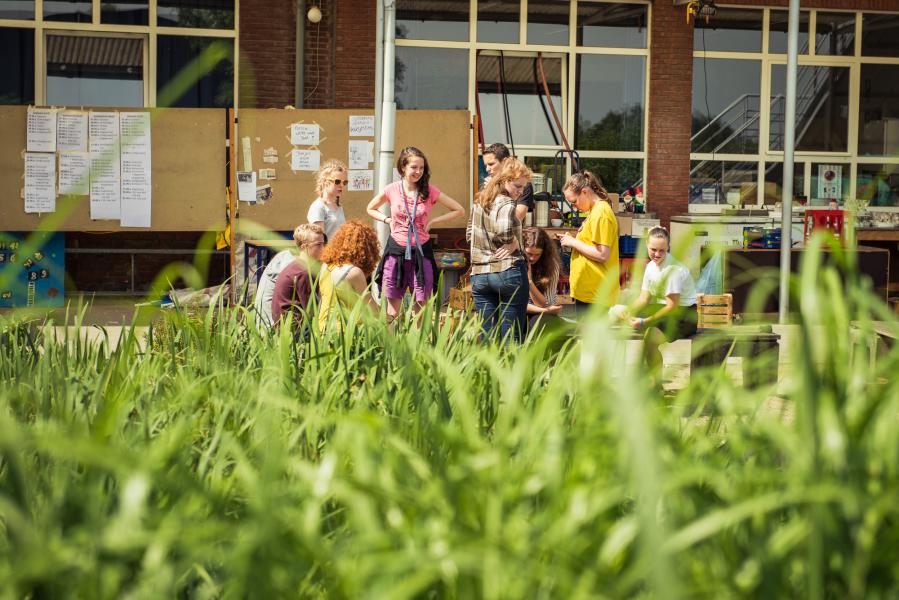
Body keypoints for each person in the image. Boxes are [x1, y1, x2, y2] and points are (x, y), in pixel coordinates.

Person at [368, 146, 465, 319]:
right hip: (396, 251)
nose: (418, 171)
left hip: (421, 253)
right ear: (403, 167)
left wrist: (434, 222)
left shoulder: (429, 190)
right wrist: (387, 220)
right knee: (392, 307)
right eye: (414, 167)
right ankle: (392, 344)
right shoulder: (391, 189)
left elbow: (459, 210)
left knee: (422, 305)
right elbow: (371, 208)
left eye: (421, 168)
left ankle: (418, 343)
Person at [467, 158, 531, 343]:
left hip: (479, 274)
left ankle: (484, 372)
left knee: (486, 335)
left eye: (523, 188)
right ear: (504, 181)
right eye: (517, 186)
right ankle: (509, 371)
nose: (520, 192)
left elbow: (469, 233)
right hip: (506, 272)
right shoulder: (507, 203)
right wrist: (514, 243)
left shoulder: (480, 200)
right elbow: (503, 230)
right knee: (511, 336)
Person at [625, 226, 698, 372]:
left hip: (683, 315)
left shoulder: (673, 270)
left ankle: (655, 383)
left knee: (650, 341)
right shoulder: (651, 266)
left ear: (668, 247)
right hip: (663, 308)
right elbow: (644, 298)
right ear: (647, 244)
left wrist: (645, 321)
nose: (657, 254)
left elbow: (672, 306)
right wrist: (628, 311)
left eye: (662, 250)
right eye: (653, 250)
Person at [558, 171, 619, 315]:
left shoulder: (601, 213)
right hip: (590, 292)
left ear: (584, 192)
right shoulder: (595, 211)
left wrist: (573, 242)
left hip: (596, 294)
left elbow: (603, 254)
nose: (574, 207)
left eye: (574, 202)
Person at [253, 224, 323, 331]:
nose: (323, 248)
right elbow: (312, 311)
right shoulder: (302, 272)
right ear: (304, 247)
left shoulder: (296, 264)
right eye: (319, 244)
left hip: (283, 325)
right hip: (290, 332)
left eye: (323, 244)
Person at [317, 220, 381, 332]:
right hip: (344, 333)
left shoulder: (325, 266)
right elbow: (371, 309)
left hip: (323, 328)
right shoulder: (353, 272)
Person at [483, 142, 534, 222]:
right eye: (486, 165)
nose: (487, 169)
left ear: (505, 161)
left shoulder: (522, 184)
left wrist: (495, 190)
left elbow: (518, 217)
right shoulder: (489, 183)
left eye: (491, 164)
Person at [523, 227, 562, 319]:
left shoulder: (551, 265)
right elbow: (511, 304)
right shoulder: (514, 263)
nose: (532, 258)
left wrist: (529, 282)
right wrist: (543, 310)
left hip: (540, 313)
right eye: (529, 254)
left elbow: (546, 304)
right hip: (520, 311)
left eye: (537, 254)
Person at [307, 159, 347, 241]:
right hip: (327, 253)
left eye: (344, 182)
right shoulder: (318, 207)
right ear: (325, 181)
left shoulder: (338, 206)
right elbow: (319, 241)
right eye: (337, 181)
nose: (341, 185)